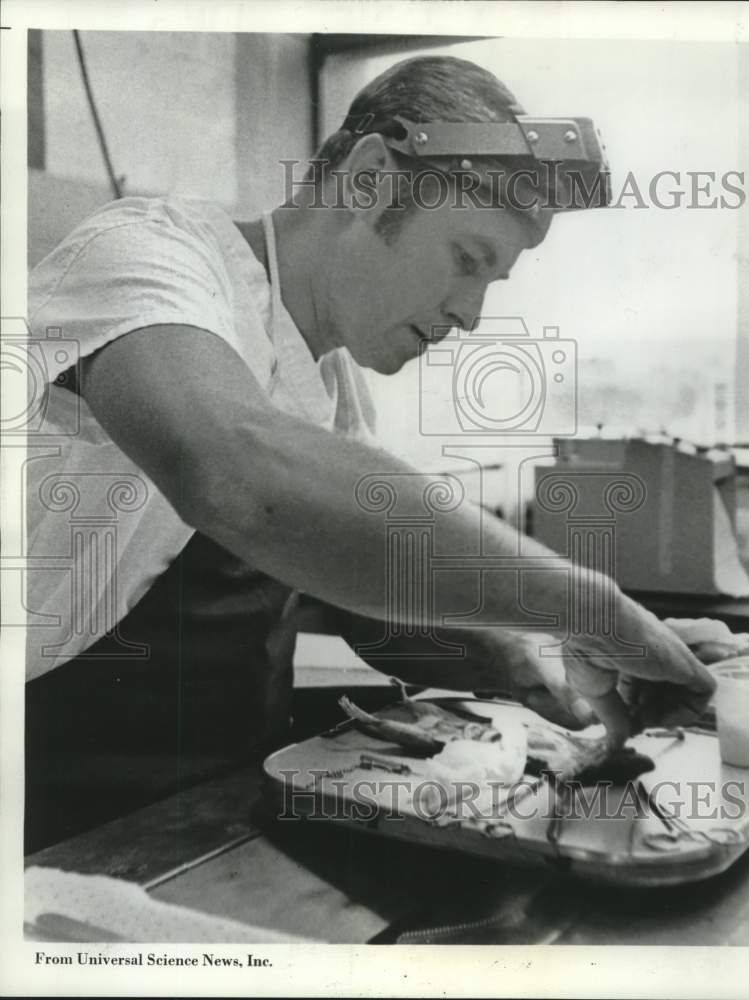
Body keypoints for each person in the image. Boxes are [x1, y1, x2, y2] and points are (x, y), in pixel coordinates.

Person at [24, 55, 714, 848]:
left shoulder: (331, 383)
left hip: (217, 801)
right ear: (369, 178)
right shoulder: (145, 257)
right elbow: (235, 474)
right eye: (467, 259)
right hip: (52, 803)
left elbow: (365, 599)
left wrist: (548, 673)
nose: (471, 315)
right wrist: (587, 602)